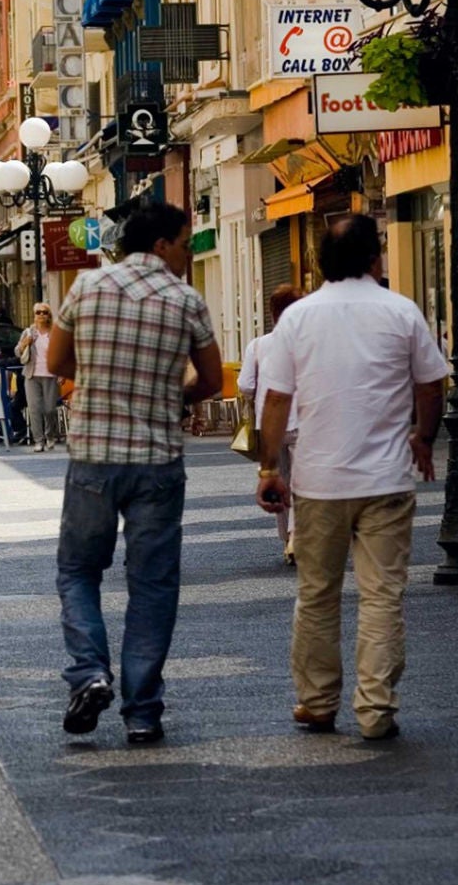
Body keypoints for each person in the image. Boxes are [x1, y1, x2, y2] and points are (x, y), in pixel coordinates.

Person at [256, 214, 447, 743]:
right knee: (382, 596)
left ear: (322, 262)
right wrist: (423, 438)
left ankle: (317, 702)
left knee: (317, 594)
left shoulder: (297, 319)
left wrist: (271, 467)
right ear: (374, 257)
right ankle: (375, 709)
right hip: (386, 479)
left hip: (318, 481)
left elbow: (275, 399)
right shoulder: (401, 311)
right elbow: (432, 385)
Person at [49, 201, 223, 746]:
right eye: (186, 243)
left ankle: (90, 672)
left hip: (94, 458)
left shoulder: (86, 288)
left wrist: (101, 378)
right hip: (156, 461)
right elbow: (213, 380)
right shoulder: (186, 300)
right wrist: (172, 392)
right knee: (152, 585)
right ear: (163, 245)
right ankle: (142, 712)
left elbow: (58, 363)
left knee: (79, 571)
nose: (190, 253)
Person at [237, 285, 303, 564]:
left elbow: (245, 385)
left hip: (270, 426)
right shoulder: (306, 343)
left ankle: (287, 540)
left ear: (272, 313)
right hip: (302, 422)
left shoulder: (258, 345)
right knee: (302, 484)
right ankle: (297, 538)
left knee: (279, 482)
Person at [18, 305, 64, 452]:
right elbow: (17, 352)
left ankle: (50, 435)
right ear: (34, 315)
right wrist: (25, 344)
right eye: (38, 312)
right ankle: (38, 440)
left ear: (49, 315)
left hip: (51, 375)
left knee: (50, 409)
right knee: (34, 409)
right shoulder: (28, 332)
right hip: (32, 375)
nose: (41, 315)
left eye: (45, 312)